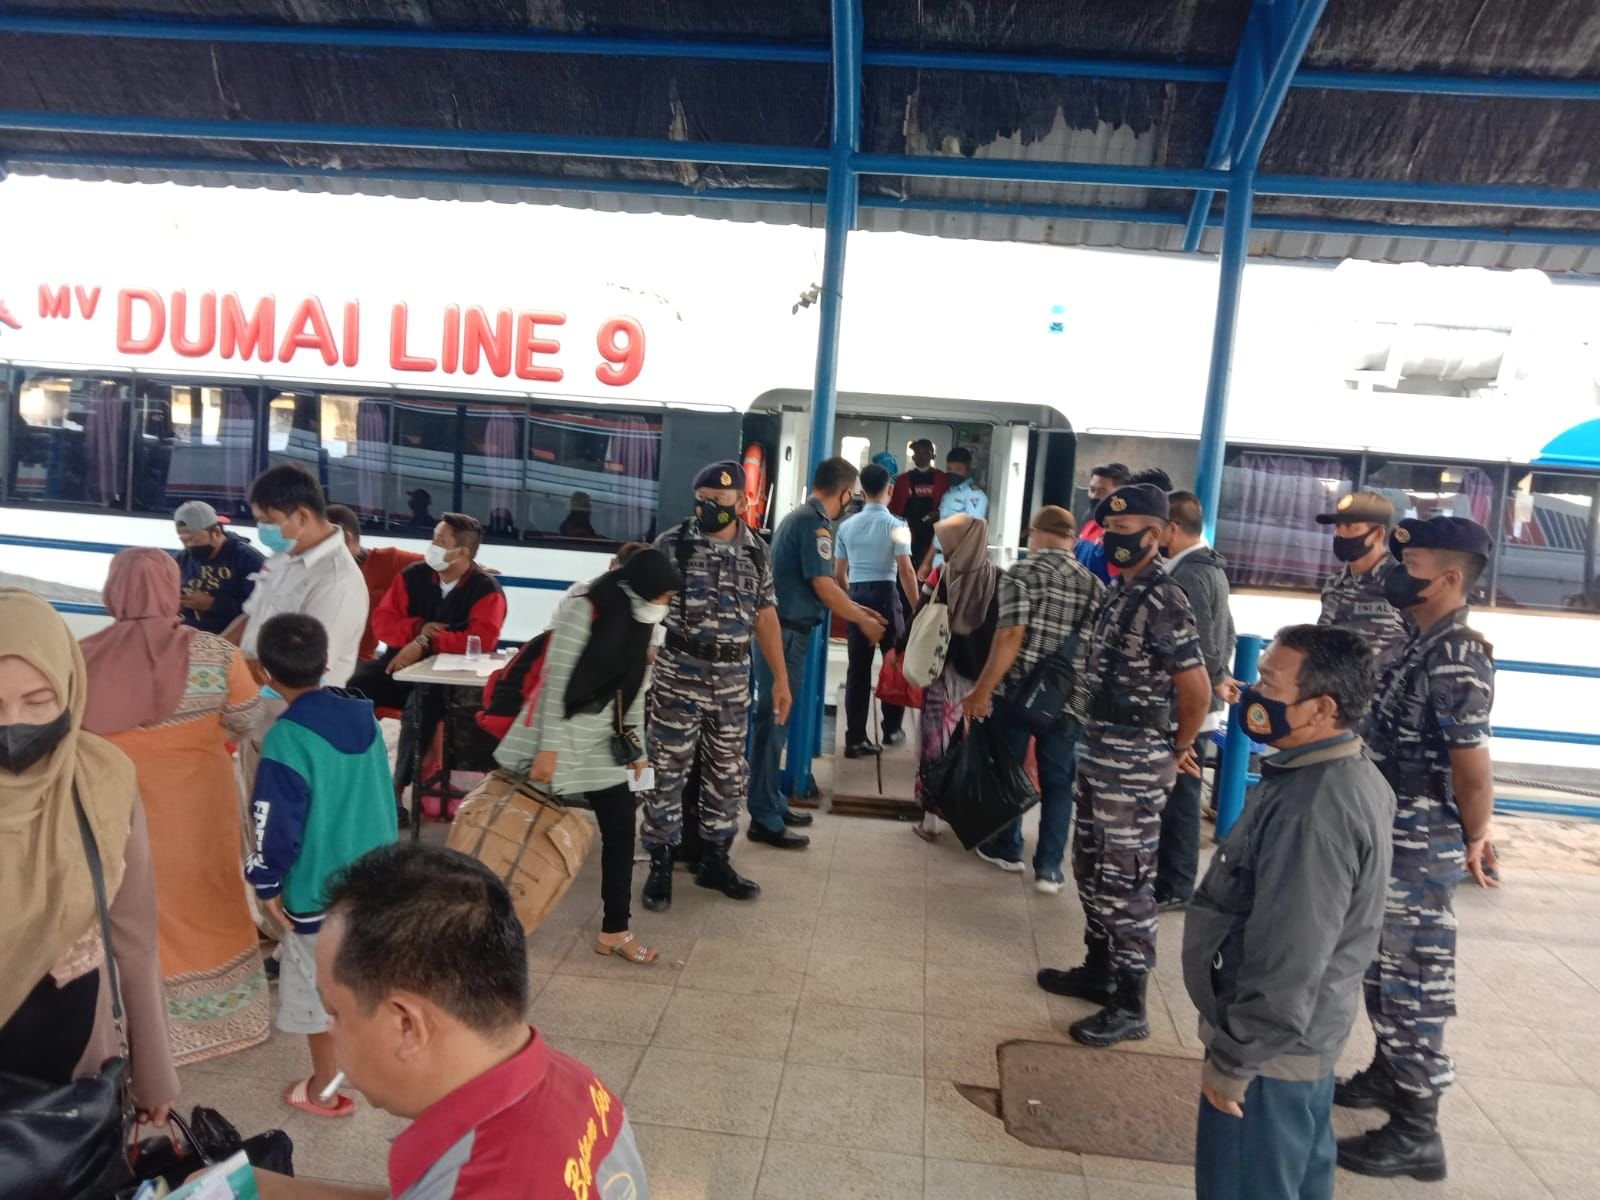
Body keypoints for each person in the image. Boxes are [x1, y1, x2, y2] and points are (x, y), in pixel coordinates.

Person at [247, 843, 648, 1200]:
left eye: (335, 1012)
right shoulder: (575, 1082)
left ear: (407, 1025)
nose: (330, 1028)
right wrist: (272, 1191)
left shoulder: (485, 1182)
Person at [1184, 625, 1392, 1200]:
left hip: (1269, 1058)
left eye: (1270, 683)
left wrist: (1236, 1061)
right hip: (1300, 1045)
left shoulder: (1313, 811)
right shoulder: (1345, 773)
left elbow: (1291, 953)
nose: (1253, 693)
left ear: (1322, 708)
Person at [1335, 517, 1498, 1183]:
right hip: (1390, 828)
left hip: (1419, 840)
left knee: (1413, 978)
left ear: (1451, 578)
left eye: (1415, 565)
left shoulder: (1457, 653)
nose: (1399, 575)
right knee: (1383, 967)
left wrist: (1476, 834)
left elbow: (1471, 768)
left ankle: (1417, 1131)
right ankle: (1387, 1072)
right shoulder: (1421, 641)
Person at [1036, 483, 1211, 1048]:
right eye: (1109, 529)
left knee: (1125, 877)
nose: (1114, 539)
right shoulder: (1119, 592)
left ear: (1156, 535)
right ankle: (1100, 969)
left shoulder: (1165, 598)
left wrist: (1177, 748)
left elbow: (1197, 690)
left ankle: (1131, 1002)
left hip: (1135, 759)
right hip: (1099, 747)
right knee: (1091, 866)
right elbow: (1097, 671)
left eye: (1125, 530)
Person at [79, 548, 270, 1065]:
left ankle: (137, 1026)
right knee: (209, 897)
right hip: (200, 809)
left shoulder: (81, 657)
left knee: (128, 909)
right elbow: (246, 717)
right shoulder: (216, 654)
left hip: (116, 813)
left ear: (113, 591)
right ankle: (221, 1020)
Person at [0, 589, 178, 1132]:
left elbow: (134, 939)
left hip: (76, 1053)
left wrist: (154, 1074)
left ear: (69, 689)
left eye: (38, 702)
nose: (14, 725)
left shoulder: (101, 781)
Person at [495, 549, 682, 965]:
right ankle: (490, 923)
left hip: (602, 744)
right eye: (665, 596)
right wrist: (549, 748)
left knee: (620, 833)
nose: (666, 605)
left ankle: (615, 930)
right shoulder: (585, 610)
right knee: (515, 833)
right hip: (559, 736)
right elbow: (555, 682)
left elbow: (633, 693)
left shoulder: (641, 621)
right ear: (645, 586)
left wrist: (638, 753)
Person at [245, 612, 398, 1118]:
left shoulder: (287, 739)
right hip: (378, 882)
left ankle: (323, 1091)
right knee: (366, 978)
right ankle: (383, 1066)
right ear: (326, 662)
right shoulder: (364, 718)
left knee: (320, 993)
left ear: (265, 673)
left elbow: (273, 822)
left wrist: (266, 880)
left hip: (319, 894)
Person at [638, 460, 792, 912]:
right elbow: (643, 608)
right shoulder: (672, 545)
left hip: (732, 679)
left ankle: (716, 860)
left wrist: (781, 679)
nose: (710, 508)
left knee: (727, 774)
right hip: (678, 675)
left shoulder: (757, 552)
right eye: (703, 500)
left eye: (720, 501)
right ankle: (660, 861)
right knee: (666, 770)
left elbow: (766, 617)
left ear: (742, 502)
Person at [963, 506, 1103, 890]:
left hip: (1017, 694)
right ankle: (1050, 868)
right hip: (1070, 698)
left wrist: (982, 690)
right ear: (1072, 539)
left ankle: (1008, 849)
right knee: (1059, 780)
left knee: (1010, 770)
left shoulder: (1021, 574)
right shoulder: (1095, 585)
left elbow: (1010, 636)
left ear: (1036, 533)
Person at [750, 458, 883, 849]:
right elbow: (824, 587)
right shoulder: (815, 524)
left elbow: (824, 585)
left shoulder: (800, 517)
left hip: (787, 632)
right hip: (785, 635)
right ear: (845, 493)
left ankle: (772, 802)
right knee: (774, 721)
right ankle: (764, 816)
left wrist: (860, 610)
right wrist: (863, 621)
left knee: (777, 722)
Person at [350, 513, 507, 812]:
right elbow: (383, 624)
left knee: (419, 707)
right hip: (398, 667)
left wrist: (428, 642)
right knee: (351, 685)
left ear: (462, 552)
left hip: (445, 683)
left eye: (440, 540)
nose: (432, 546)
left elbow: (481, 641)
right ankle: (349, 773)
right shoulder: (412, 576)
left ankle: (396, 792)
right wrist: (418, 628)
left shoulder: (486, 590)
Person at [1155, 491, 1238, 910]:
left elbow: (1199, 645)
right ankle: (1171, 881)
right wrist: (1219, 679)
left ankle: (1175, 886)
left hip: (1185, 708)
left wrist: (1210, 683)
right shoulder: (1211, 568)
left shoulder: (1188, 575)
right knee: (1179, 796)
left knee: (1180, 800)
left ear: (1172, 528)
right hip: (1197, 704)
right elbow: (1228, 633)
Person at [911, 513, 1001, 842]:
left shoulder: (942, 575)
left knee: (936, 744)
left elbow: (921, 614)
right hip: (982, 678)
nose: (944, 549)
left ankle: (931, 819)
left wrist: (899, 646)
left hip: (944, 674)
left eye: (947, 542)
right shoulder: (1000, 579)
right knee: (974, 746)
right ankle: (971, 816)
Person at [835, 462, 916, 757]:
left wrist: (853, 601)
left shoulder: (845, 527)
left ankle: (855, 739)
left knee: (858, 669)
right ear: (890, 490)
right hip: (886, 595)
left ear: (861, 491)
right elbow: (906, 570)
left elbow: (839, 574)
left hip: (857, 595)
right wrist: (918, 607)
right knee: (894, 661)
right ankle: (891, 729)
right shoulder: (898, 526)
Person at [1315, 490, 1410, 668]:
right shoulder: (1334, 584)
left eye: (1350, 527)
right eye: (1338, 526)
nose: (1339, 533)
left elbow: (1422, 647)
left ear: (1378, 534)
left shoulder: (1403, 583)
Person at [326, 504, 423, 664]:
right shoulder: (312, 571)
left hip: (356, 663)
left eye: (321, 542)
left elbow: (440, 564)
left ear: (346, 539)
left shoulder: (388, 561)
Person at [175, 499, 264, 636]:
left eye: (194, 540)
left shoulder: (247, 559)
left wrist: (213, 604)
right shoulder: (183, 558)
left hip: (230, 640)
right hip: (190, 638)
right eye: (184, 541)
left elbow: (260, 609)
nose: (189, 546)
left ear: (216, 532)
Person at [889, 437, 948, 569]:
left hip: (933, 536)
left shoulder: (942, 479)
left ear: (932, 455)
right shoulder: (903, 480)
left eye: (924, 453)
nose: (920, 457)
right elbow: (895, 509)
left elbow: (948, 507)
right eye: (917, 453)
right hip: (907, 535)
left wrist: (938, 514)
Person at [1075, 462, 1130, 584]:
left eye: (1102, 491)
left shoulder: (1123, 536)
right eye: (1092, 490)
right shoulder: (1090, 525)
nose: (1094, 496)